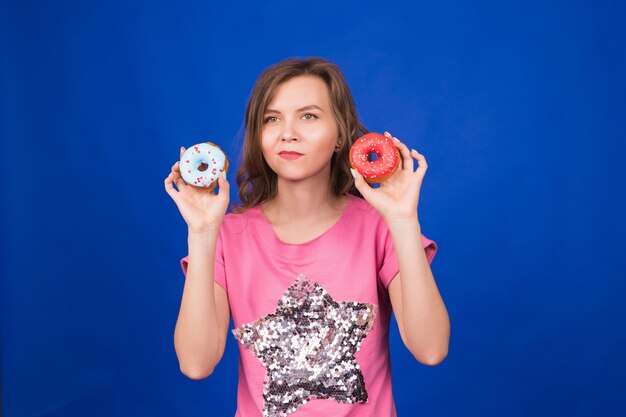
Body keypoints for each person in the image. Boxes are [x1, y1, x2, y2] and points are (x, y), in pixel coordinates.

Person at [164, 56, 450, 417]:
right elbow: (195, 363)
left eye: (309, 116)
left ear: (340, 135)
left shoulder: (381, 226)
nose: (288, 132)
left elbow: (431, 349)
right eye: (272, 118)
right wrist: (203, 233)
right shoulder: (228, 235)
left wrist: (405, 220)